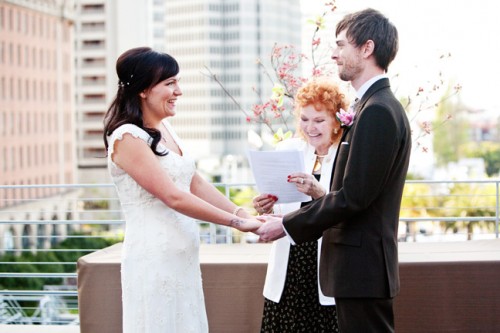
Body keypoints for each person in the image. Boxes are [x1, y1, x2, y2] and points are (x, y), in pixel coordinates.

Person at [257, 8, 412, 333]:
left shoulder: (378, 111)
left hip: (362, 269)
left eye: (341, 45)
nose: (334, 53)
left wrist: (285, 225)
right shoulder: (368, 107)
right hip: (359, 270)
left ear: (366, 48)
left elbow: (354, 196)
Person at [103, 47, 262, 333]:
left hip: (182, 258)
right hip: (153, 258)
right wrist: (238, 224)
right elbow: (172, 196)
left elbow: (194, 182)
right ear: (143, 89)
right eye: (170, 83)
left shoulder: (167, 130)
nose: (179, 91)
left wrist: (241, 211)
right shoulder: (127, 137)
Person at [253, 79, 347, 332]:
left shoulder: (345, 155)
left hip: (326, 264)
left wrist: (319, 193)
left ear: (336, 121)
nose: (310, 127)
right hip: (289, 265)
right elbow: (280, 209)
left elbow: (348, 207)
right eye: (305, 119)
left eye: (319, 120)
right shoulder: (288, 149)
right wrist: (266, 207)